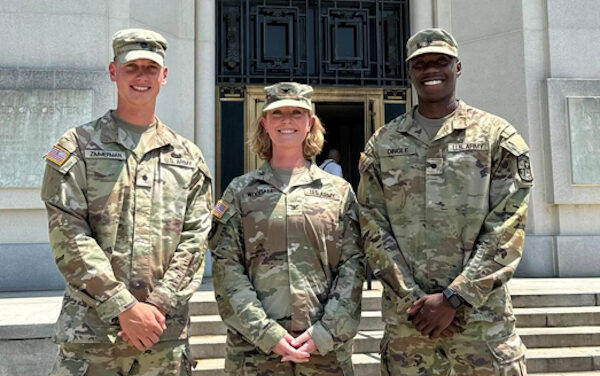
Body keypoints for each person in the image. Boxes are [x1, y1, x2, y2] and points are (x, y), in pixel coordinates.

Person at [358, 28, 533, 375]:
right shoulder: (383, 143)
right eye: (421, 64)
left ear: (458, 67)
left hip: (481, 326)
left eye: (441, 61)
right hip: (410, 328)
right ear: (410, 73)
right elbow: (370, 225)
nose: (431, 70)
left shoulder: (496, 136)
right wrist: (415, 301)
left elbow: (507, 226)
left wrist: (455, 298)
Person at [41, 28, 212, 375]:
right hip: (92, 338)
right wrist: (123, 307)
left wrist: (156, 307)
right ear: (112, 71)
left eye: (151, 68)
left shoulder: (187, 156)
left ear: (164, 76)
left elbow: (195, 241)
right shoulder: (78, 146)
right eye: (132, 67)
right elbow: (69, 233)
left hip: (162, 336)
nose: (141, 76)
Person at [209, 82, 365, 375]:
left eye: (297, 113)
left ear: (310, 124)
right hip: (255, 354)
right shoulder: (239, 192)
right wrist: (266, 333)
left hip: (324, 355)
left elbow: (353, 266)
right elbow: (226, 267)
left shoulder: (339, 192)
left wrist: (325, 332)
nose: (287, 120)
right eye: (277, 113)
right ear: (264, 123)